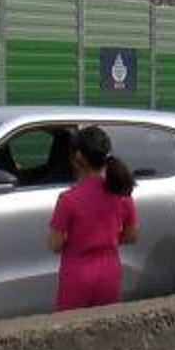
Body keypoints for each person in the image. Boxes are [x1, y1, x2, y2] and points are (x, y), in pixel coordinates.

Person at [46, 126, 138, 311]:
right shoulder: (122, 194)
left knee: (70, 329)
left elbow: (54, 244)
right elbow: (132, 235)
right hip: (110, 270)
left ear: (78, 158)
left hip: (77, 273)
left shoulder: (68, 199)